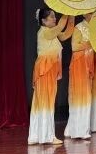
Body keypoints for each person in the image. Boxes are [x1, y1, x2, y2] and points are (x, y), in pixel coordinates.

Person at [29, 8, 72, 146]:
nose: (55, 19)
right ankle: (46, 136)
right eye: (52, 17)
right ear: (43, 20)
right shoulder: (45, 32)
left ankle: (36, 136)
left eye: (54, 16)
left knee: (43, 101)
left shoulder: (52, 32)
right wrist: (68, 10)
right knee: (45, 102)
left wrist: (71, 17)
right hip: (45, 69)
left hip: (49, 70)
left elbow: (65, 35)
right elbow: (60, 26)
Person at [65, 16, 94, 140]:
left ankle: (78, 128)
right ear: (85, 14)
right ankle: (79, 130)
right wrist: (89, 44)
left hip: (88, 62)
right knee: (80, 95)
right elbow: (74, 47)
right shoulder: (79, 27)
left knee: (86, 96)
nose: (93, 13)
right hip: (79, 63)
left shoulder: (94, 27)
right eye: (91, 11)